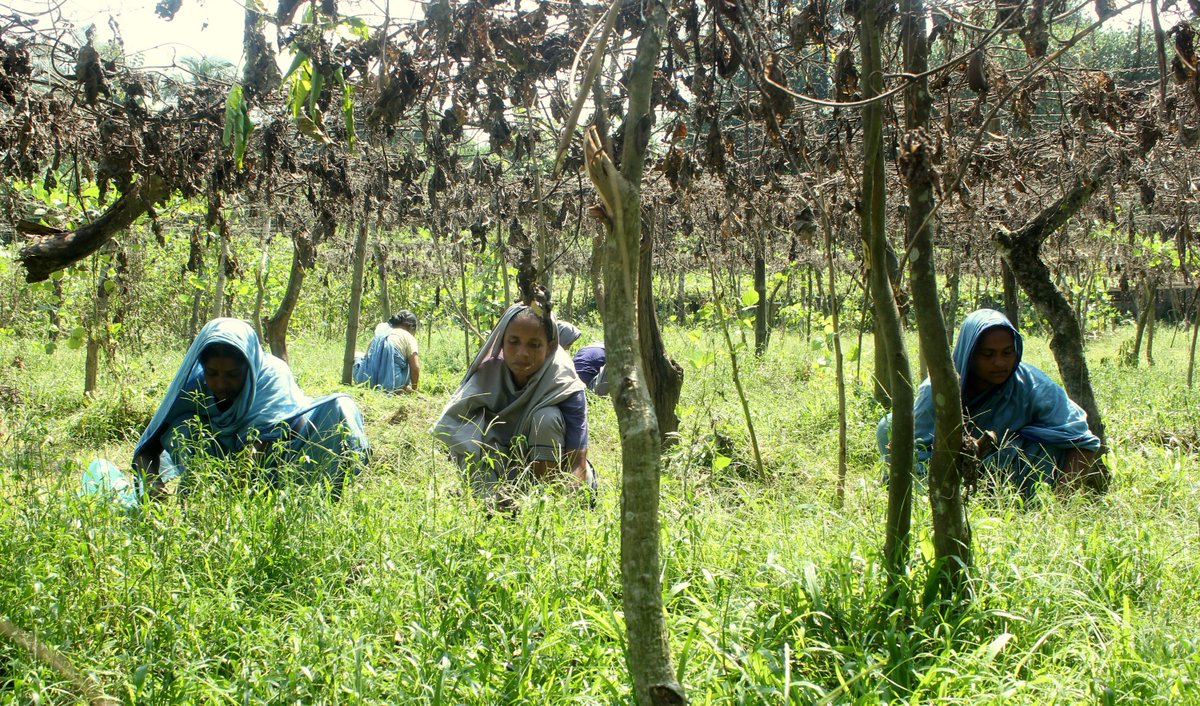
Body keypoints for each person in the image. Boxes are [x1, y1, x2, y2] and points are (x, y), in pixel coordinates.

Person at [132, 318, 369, 498]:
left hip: (282, 458)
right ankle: (200, 492)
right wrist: (153, 486)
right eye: (212, 374)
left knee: (341, 407)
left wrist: (229, 504)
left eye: (233, 375)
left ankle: (315, 500)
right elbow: (147, 449)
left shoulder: (271, 374)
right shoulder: (193, 387)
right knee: (182, 427)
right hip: (219, 468)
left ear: (249, 366)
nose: (221, 384)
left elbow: (256, 452)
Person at [876, 308, 1102, 497]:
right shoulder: (939, 390)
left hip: (1012, 481)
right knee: (890, 427)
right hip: (950, 480)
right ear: (969, 353)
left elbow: (1083, 442)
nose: (999, 363)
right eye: (988, 354)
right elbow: (919, 452)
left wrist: (1061, 502)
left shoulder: (1030, 385)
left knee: (1051, 444)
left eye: (1007, 353)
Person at [433, 288, 595, 503]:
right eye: (513, 342)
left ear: (550, 346)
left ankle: (541, 501)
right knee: (471, 426)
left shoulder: (564, 382)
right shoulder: (488, 376)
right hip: (505, 471)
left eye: (534, 345)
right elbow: (453, 427)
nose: (522, 353)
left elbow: (577, 461)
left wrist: (568, 502)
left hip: (557, 472)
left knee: (545, 418)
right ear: (501, 342)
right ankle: (490, 501)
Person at [352, 310, 421, 392]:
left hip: (366, 380)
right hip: (394, 383)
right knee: (409, 361)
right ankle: (398, 388)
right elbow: (415, 368)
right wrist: (414, 389)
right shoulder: (409, 337)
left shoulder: (383, 333)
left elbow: (367, 356)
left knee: (358, 356)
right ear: (411, 327)